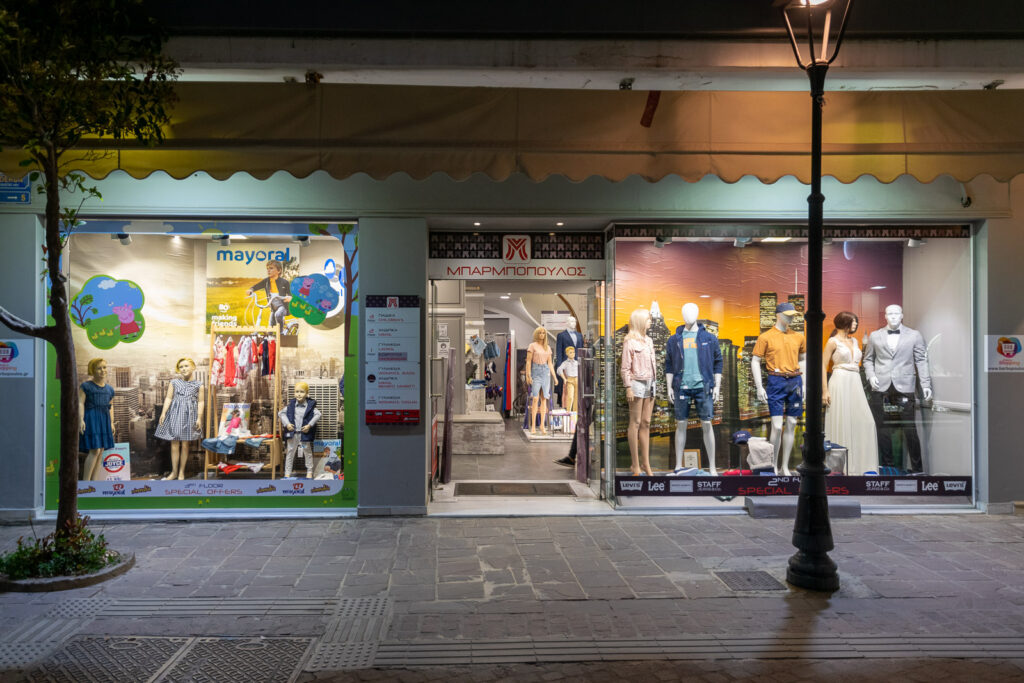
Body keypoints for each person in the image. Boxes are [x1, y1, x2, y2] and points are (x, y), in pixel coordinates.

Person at [862, 304, 933, 473]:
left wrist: (925, 384)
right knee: (883, 428)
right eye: (889, 314)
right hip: (880, 386)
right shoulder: (875, 335)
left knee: (910, 428)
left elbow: (921, 361)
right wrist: (871, 376)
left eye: (896, 313)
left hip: (905, 386)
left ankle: (917, 469)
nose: (893, 316)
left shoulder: (914, 335)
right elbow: (867, 359)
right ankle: (887, 468)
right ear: (885, 316)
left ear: (902, 316)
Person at [665, 303, 723, 474]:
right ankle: (678, 465)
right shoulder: (674, 339)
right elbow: (668, 364)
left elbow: (718, 362)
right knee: (680, 425)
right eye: (685, 312)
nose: (688, 315)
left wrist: (717, 386)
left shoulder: (709, 338)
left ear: (697, 314)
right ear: (682, 315)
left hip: (703, 387)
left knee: (707, 424)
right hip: (681, 386)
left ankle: (712, 466)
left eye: (692, 312)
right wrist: (669, 387)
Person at [751, 303, 806, 476]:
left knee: (791, 423)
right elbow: (755, 360)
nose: (791, 317)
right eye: (787, 314)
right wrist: (759, 386)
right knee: (776, 426)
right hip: (776, 380)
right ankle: (772, 465)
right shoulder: (765, 337)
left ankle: (785, 466)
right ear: (778, 315)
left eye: (792, 315)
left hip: (795, 380)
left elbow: (803, 360)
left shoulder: (799, 337)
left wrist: (804, 385)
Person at [823, 311, 879, 475]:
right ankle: (840, 469)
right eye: (853, 321)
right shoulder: (832, 342)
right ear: (845, 322)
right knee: (841, 420)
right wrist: (824, 390)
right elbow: (822, 364)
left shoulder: (854, 340)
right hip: (839, 381)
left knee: (866, 422)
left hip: (855, 382)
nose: (855, 324)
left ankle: (862, 467)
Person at [155, 357, 204, 480]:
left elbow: (201, 402)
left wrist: (199, 417)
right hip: (175, 414)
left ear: (193, 367)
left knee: (186, 444)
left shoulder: (199, 385)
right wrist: (163, 412)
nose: (183, 369)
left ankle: (181, 472)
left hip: (189, 415)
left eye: (186, 366)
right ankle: (174, 472)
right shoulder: (174, 382)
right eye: (181, 367)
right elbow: (168, 398)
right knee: (174, 444)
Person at [621, 308, 657, 476]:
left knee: (646, 422)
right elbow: (625, 368)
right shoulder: (630, 341)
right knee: (634, 423)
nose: (650, 322)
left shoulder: (649, 341)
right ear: (640, 321)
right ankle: (635, 464)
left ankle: (646, 464)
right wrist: (628, 386)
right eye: (648, 319)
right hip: (636, 383)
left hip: (651, 383)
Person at [79, 358, 115, 481]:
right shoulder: (86, 386)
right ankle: (86, 482)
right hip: (91, 418)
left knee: (101, 451)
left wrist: (111, 423)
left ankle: (95, 482)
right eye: (99, 368)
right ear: (92, 370)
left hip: (104, 419)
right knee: (95, 450)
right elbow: (80, 403)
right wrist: (81, 419)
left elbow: (110, 407)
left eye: (104, 367)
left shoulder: (110, 389)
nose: (102, 370)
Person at [279, 381, 321, 478]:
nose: (298, 394)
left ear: (307, 393)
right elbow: (281, 413)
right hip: (293, 433)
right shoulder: (291, 406)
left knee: (307, 452)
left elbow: (318, 414)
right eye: (296, 391)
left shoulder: (310, 406)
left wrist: (309, 425)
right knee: (290, 452)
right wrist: (287, 423)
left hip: (304, 434)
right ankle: (287, 472)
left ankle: (309, 471)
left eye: (302, 392)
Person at [525, 326, 558, 435]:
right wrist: (528, 375)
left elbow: (550, 363)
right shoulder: (532, 345)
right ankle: (533, 425)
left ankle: (542, 425)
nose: (542, 335)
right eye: (540, 333)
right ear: (536, 334)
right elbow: (528, 361)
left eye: (543, 333)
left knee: (544, 399)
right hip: (535, 371)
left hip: (545, 372)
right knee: (535, 398)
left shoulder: (547, 347)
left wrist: (555, 377)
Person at [247, 260, 292, 331]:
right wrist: (251, 289)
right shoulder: (267, 281)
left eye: (271, 268)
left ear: (279, 270)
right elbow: (256, 286)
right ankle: (270, 336)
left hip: (282, 306)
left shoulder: (284, 282)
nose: (268, 270)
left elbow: (290, 293)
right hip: (273, 308)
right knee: (270, 326)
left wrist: (290, 298)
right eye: (267, 269)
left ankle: (280, 332)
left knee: (278, 314)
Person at [557, 346, 579, 413]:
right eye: (570, 352)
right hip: (570, 380)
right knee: (570, 397)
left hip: (577, 380)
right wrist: (564, 378)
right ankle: (568, 412)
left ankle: (575, 414)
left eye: (573, 352)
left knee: (576, 398)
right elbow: (559, 370)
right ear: (567, 353)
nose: (572, 354)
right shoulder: (565, 363)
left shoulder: (577, 362)